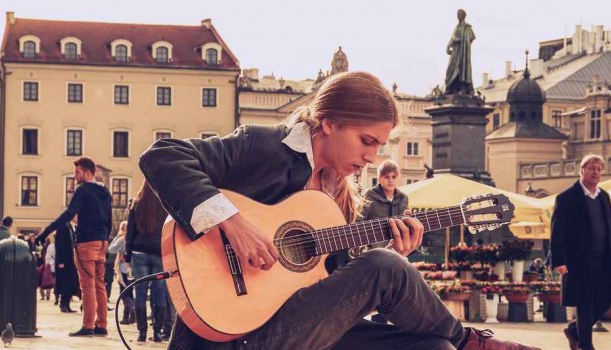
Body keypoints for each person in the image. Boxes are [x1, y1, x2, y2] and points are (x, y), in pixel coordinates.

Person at [140, 71, 536, 350]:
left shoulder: (339, 194)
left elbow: (327, 286)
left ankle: (455, 342)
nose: (371, 157)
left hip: (299, 328)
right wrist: (233, 223)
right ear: (328, 123)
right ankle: (469, 341)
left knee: (432, 345)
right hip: (234, 334)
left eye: (380, 145)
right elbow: (163, 155)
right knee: (384, 266)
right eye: (367, 140)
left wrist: (397, 258)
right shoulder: (262, 147)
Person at [550, 155, 611, 350]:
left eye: (599, 169)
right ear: (581, 170)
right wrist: (558, 260)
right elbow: (557, 231)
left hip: (604, 260)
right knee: (585, 304)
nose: (596, 172)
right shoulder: (566, 198)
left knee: (605, 301)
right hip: (578, 262)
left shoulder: (604, 197)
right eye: (592, 168)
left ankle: (574, 330)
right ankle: (586, 345)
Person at [41, 157, 114, 337]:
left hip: (86, 242)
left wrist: (46, 232)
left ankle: (88, 325)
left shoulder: (83, 191)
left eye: (77, 172)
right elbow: (109, 220)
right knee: (100, 284)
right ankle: (102, 325)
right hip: (102, 242)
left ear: (88, 172)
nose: (75, 176)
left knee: (87, 285)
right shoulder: (105, 192)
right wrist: (105, 239)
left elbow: (69, 214)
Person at [352, 160, 411, 324]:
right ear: (379, 179)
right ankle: (374, 324)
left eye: (393, 177)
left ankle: (383, 324)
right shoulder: (370, 196)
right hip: (374, 248)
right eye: (387, 177)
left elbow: (405, 221)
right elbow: (359, 220)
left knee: (392, 288)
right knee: (377, 288)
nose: (390, 180)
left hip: (397, 248)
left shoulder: (402, 197)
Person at [124, 185, 171, 342]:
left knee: (140, 292)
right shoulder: (166, 201)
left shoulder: (137, 203)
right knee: (159, 292)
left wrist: (127, 254)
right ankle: (157, 332)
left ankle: (142, 332)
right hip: (159, 252)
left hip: (139, 251)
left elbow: (130, 231)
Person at [40, 219, 79, 313]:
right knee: (64, 284)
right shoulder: (63, 227)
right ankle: (63, 305)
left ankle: (67, 305)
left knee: (70, 283)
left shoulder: (70, 227)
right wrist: (60, 261)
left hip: (69, 261)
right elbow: (60, 244)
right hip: (64, 261)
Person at [107, 221, 134, 325]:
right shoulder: (133, 238)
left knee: (123, 293)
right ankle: (131, 316)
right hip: (132, 269)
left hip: (123, 269)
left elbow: (111, 249)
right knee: (130, 292)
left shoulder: (122, 239)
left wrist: (117, 237)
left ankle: (128, 314)